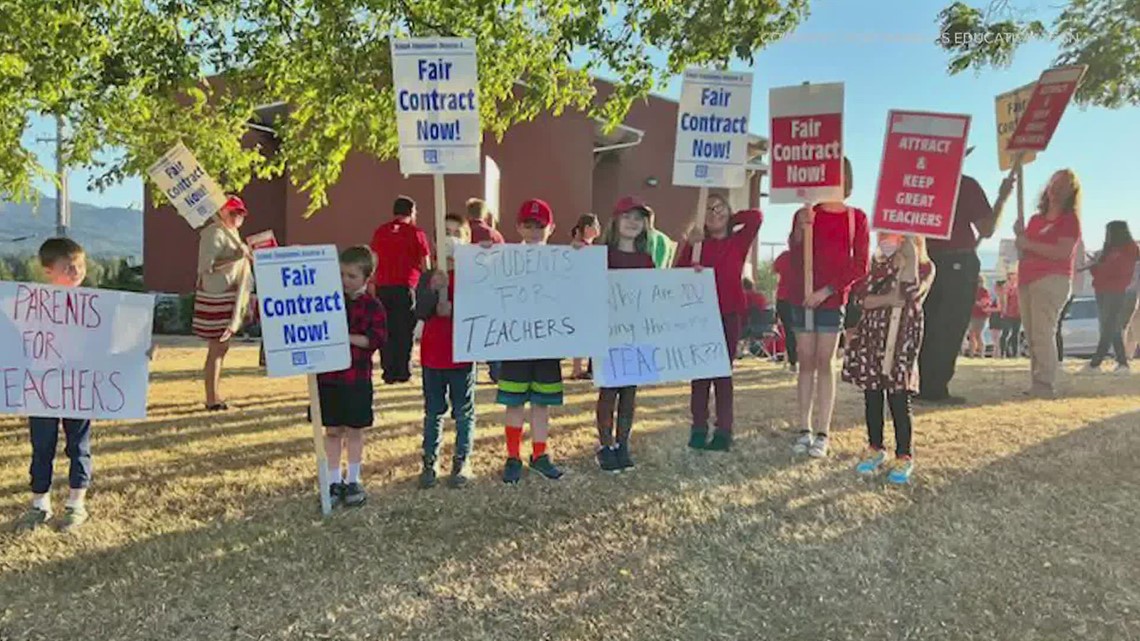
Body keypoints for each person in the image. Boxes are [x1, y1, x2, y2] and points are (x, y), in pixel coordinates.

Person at [17, 238, 145, 532]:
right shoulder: (30, 307)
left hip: (80, 388)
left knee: (79, 445)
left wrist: (140, 350)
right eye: (68, 266)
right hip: (43, 389)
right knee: (42, 447)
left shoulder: (96, 308)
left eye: (81, 265)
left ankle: (76, 504)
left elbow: (113, 345)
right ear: (48, 270)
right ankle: (40, 505)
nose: (77, 271)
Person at [787, 157, 870, 458]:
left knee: (825, 361)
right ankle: (803, 428)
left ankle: (823, 431)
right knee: (805, 360)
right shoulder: (806, 213)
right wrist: (801, 229)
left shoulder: (856, 218)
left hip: (832, 300)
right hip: (802, 297)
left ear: (846, 181)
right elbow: (794, 256)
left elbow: (860, 264)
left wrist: (827, 290)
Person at [918, 152, 1013, 403]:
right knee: (949, 326)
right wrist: (1002, 199)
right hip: (956, 260)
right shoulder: (965, 184)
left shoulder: (916, 185)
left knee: (925, 325)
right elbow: (987, 228)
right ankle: (934, 388)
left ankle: (922, 385)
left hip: (923, 260)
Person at [675, 193, 763, 452]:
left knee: (723, 374)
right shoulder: (697, 246)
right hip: (700, 315)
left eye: (720, 208)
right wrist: (691, 246)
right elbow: (678, 273)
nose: (715, 213)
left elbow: (756, 217)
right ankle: (699, 427)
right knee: (700, 375)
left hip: (729, 314)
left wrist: (728, 216)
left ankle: (724, 430)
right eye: (709, 210)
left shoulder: (738, 241)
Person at [844, 234, 935, 485]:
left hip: (902, 337)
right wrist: (885, 298)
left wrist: (910, 257)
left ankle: (904, 454)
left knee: (898, 396)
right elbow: (860, 298)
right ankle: (875, 447)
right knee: (872, 394)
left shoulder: (925, 267)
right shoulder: (877, 266)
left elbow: (910, 292)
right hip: (873, 336)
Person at [494, 199, 571, 483]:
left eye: (540, 225)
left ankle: (540, 454)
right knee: (514, 404)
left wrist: (581, 255)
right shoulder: (504, 259)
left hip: (548, 345)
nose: (535, 230)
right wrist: (485, 255)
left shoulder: (563, 261)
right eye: (529, 225)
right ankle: (513, 457)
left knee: (541, 404)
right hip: (515, 345)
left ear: (551, 228)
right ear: (518, 227)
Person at [316, 246, 388, 508]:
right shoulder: (328, 301)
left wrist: (345, 339)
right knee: (332, 430)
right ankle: (333, 480)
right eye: (342, 275)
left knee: (355, 430)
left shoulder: (372, 306)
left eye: (351, 276)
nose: (345, 281)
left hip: (356, 378)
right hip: (328, 378)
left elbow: (376, 339)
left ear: (366, 278)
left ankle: (353, 479)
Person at [595, 197, 657, 471]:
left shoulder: (646, 260)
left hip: (636, 334)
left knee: (629, 393)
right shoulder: (600, 255)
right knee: (608, 391)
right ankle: (605, 445)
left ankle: (623, 443)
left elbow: (654, 295)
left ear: (645, 225)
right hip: (607, 333)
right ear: (615, 221)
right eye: (627, 217)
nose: (632, 222)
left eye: (638, 218)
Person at [415, 223, 477, 488]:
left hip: (461, 355)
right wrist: (432, 290)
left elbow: (482, 306)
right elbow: (419, 310)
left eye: (456, 233)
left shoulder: (472, 275)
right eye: (444, 233)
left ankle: (462, 460)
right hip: (433, 355)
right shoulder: (428, 276)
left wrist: (456, 306)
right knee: (433, 411)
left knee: (463, 412)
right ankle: (430, 461)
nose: (450, 238)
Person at [1015, 169, 1082, 397]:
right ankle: (1037, 380)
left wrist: (1028, 244)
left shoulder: (1069, 221)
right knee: (1033, 333)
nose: (1055, 190)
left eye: (1062, 186)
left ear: (1070, 192)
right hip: (1027, 279)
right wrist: (1020, 238)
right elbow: (1022, 250)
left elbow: (1062, 252)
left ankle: (1045, 384)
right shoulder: (1035, 220)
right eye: (1053, 184)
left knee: (1043, 332)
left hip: (1052, 280)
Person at [193, 195, 254, 411]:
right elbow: (206, 266)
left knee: (221, 348)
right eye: (233, 212)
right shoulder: (214, 233)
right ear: (222, 211)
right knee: (217, 348)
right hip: (217, 296)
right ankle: (212, 398)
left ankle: (214, 395)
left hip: (230, 296)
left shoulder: (231, 233)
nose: (238, 217)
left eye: (240, 213)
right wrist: (237, 256)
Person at [369, 195, 430, 385]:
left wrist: (372, 282)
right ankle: (403, 370)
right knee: (404, 329)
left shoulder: (381, 231)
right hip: (406, 286)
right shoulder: (416, 233)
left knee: (386, 329)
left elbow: (374, 258)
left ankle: (388, 370)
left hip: (383, 286)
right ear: (411, 212)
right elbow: (425, 262)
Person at [1086, 221, 1139, 372]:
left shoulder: (1129, 249)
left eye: (1109, 232)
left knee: (1110, 327)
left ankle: (1096, 363)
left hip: (1119, 291)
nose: (1106, 235)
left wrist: (1099, 266)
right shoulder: (1108, 249)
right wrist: (1095, 265)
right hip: (1102, 290)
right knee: (1111, 328)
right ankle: (1122, 363)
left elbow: (1118, 270)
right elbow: (1100, 272)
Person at [465, 198, 505, 383]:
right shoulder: (495, 235)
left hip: (468, 287)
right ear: (485, 214)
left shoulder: (464, 234)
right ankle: (496, 371)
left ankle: (468, 371)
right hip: (491, 288)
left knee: (469, 330)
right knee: (492, 330)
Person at [570, 213, 601, 380]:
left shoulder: (587, 247)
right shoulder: (580, 247)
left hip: (586, 296)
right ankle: (577, 368)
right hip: (581, 297)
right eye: (595, 225)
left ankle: (579, 367)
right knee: (582, 333)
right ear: (587, 228)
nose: (598, 229)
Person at [773, 250, 798, 371]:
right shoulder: (807, 256)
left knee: (789, 331)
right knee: (801, 330)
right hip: (798, 297)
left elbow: (775, 271)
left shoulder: (783, 256)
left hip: (783, 299)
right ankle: (796, 360)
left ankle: (793, 362)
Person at [966, 276, 992, 358]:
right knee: (971, 334)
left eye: (979, 282)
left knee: (978, 334)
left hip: (981, 316)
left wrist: (975, 302)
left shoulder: (984, 291)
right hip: (972, 315)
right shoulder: (971, 291)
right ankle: (971, 353)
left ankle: (981, 353)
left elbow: (984, 303)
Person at [1001, 273, 1022, 357]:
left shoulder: (1019, 287)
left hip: (1018, 314)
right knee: (1005, 333)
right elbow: (1005, 300)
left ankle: (1014, 353)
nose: (1014, 279)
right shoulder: (1007, 288)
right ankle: (1003, 352)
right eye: (1012, 277)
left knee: (1015, 334)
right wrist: (1004, 310)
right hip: (1008, 313)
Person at [988, 280, 1006, 359]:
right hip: (996, 318)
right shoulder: (1000, 296)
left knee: (996, 338)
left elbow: (999, 308)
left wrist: (988, 309)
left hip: (997, 318)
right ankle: (996, 354)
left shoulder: (1000, 297)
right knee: (996, 338)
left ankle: (997, 354)